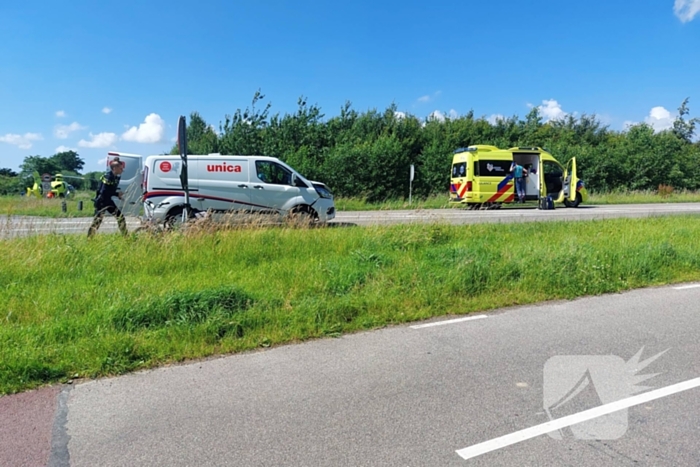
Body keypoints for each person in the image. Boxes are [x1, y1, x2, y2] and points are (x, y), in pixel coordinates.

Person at [88, 158, 127, 237]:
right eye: (121, 168)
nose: (122, 170)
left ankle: (126, 237)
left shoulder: (115, 177)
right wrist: (117, 194)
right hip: (102, 201)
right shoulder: (108, 176)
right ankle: (89, 238)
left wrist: (117, 195)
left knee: (120, 217)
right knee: (97, 221)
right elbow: (105, 191)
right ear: (115, 168)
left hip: (108, 200)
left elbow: (110, 191)